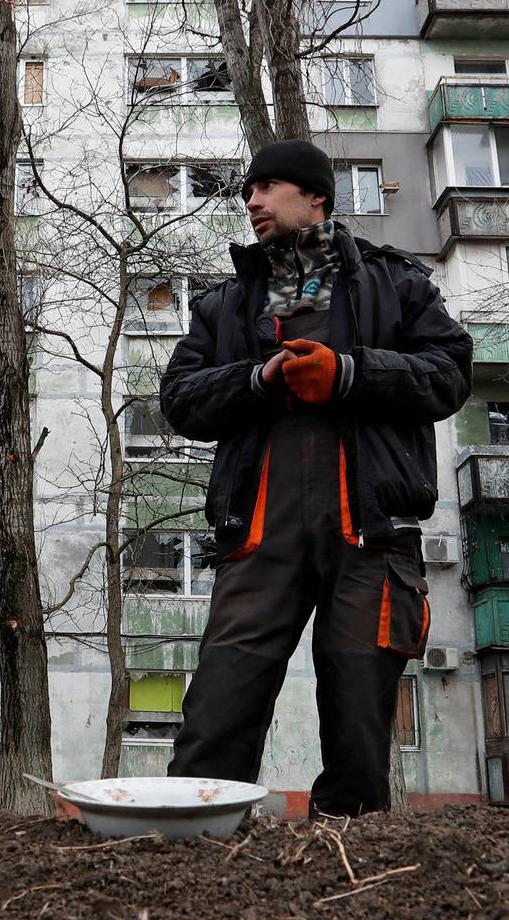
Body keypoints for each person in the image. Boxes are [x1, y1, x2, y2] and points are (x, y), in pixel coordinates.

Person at [159, 138, 472, 817]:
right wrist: (258, 377)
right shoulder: (226, 304)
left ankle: (349, 866)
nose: (252, 202)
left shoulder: (398, 283)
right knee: (218, 710)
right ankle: (187, 840)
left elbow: (449, 374)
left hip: (369, 534)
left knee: (359, 725)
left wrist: (349, 373)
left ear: (316, 198)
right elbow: (180, 400)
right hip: (257, 536)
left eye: (268, 188)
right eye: (248, 191)